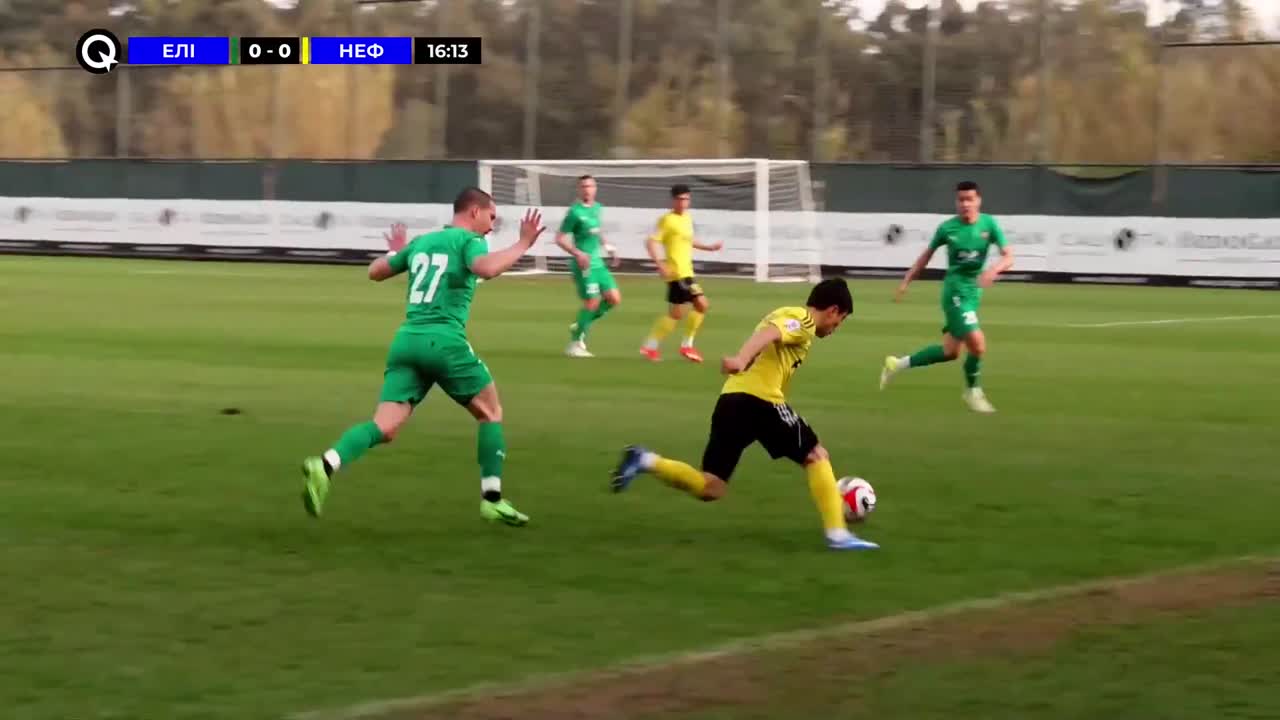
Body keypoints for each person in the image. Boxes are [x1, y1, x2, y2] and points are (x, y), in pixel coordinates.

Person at [299, 188, 545, 526]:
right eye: (491, 217)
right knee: (490, 412)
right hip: (444, 342)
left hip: (407, 342)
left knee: (384, 426)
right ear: (474, 212)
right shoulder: (470, 241)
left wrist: (396, 252)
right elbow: (486, 269)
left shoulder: (422, 243)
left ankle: (326, 464)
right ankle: (492, 500)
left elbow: (375, 271)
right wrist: (523, 243)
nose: (491, 226)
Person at [612, 278, 880, 551]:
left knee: (711, 486)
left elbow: (766, 338)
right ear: (833, 310)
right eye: (840, 321)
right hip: (760, 401)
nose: (836, 328)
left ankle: (646, 460)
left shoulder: (783, 313)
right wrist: (741, 359)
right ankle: (838, 534)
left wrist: (744, 361)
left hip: (731, 400)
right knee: (816, 455)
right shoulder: (804, 320)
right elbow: (771, 334)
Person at [880, 181, 1014, 413]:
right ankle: (972, 391)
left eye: (969, 199)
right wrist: (906, 281)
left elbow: (1009, 256)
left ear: (978, 201)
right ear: (956, 202)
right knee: (978, 345)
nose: (965, 204)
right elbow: (925, 257)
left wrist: (994, 270)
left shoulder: (989, 224)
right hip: (954, 293)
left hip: (973, 294)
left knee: (950, 352)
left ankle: (896, 364)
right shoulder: (947, 229)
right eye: (961, 200)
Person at [639, 184, 723, 363]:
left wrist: (709, 247)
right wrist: (660, 264)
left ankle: (650, 346)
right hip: (678, 274)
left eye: (686, 199)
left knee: (676, 314)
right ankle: (686, 346)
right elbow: (650, 242)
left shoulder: (687, 218)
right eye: (680, 199)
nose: (683, 202)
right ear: (673, 200)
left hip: (686, 272)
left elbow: (688, 240)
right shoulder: (667, 220)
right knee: (701, 304)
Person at [558, 175, 621, 358]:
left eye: (590, 186)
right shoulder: (574, 212)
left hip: (598, 263)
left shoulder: (597, 208)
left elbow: (597, 230)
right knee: (592, 302)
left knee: (614, 299)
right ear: (579, 189)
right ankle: (575, 344)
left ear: (595, 188)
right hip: (584, 265)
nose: (587, 189)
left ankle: (580, 324)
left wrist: (608, 247)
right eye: (583, 186)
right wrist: (577, 253)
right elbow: (560, 238)